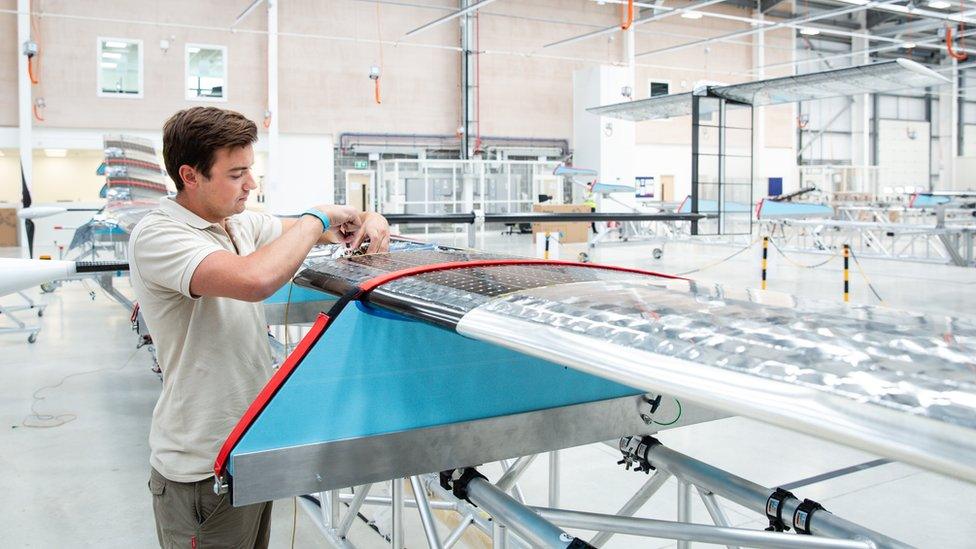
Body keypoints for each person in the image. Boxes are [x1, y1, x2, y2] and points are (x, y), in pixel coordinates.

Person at [128, 106, 390, 548]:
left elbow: (330, 228)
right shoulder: (160, 235)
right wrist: (316, 218)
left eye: (252, 170)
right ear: (190, 176)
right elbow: (254, 280)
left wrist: (368, 219)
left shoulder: (234, 223)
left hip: (245, 454)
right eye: (236, 174)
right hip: (200, 469)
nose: (251, 184)